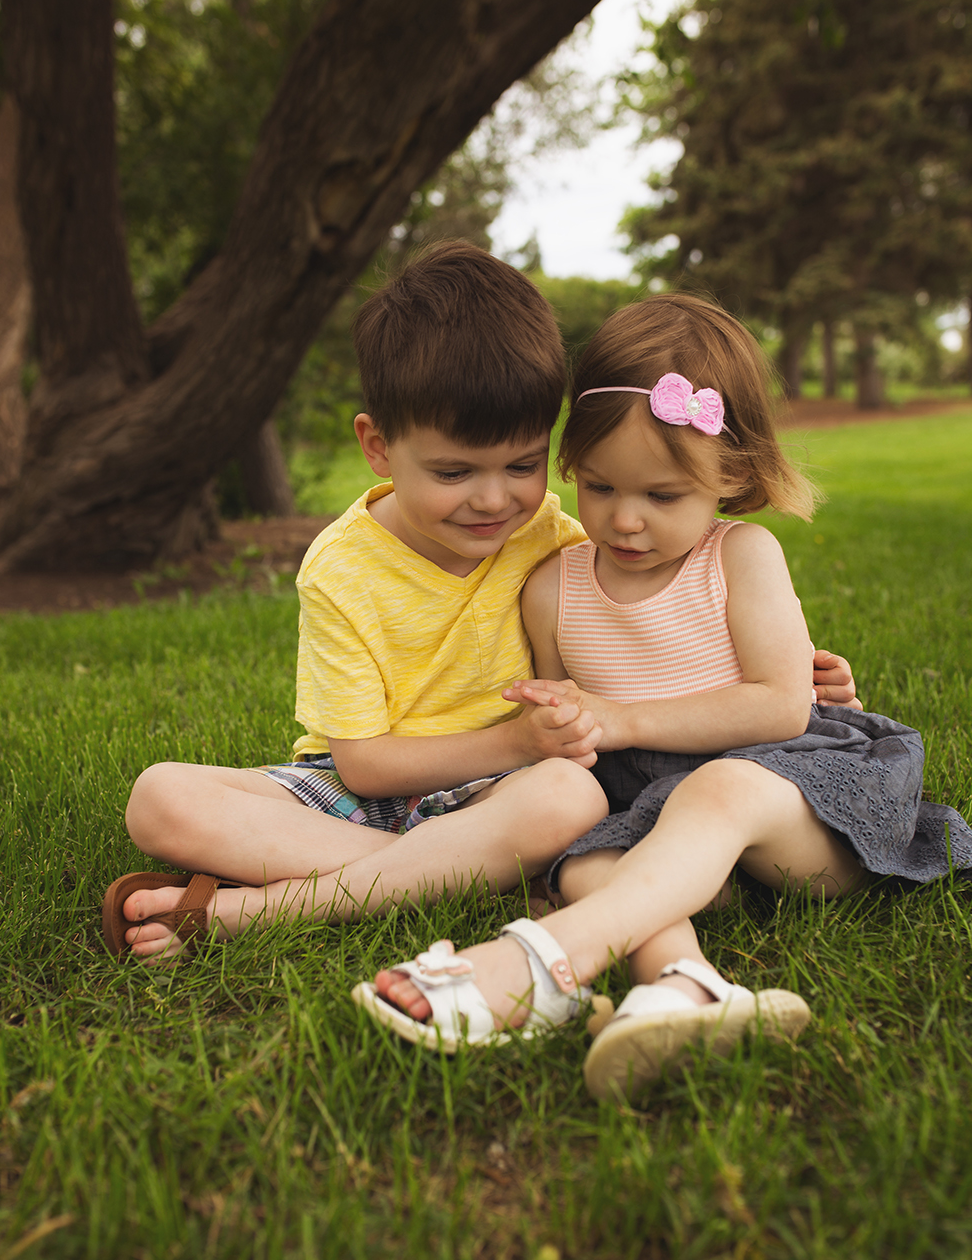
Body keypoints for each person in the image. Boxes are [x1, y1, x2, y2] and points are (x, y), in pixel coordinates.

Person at [105, 248, 855, 964]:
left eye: (523, 465)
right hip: (367, 796)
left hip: (507, 797)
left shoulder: (556, 537)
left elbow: (648, 629)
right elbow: (363, 768)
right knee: (160, 797)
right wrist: (520, 741)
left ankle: (275, 906)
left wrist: (802, 683)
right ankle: (471, 874)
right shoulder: (340, 569)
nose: (494, 500)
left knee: (568, 796)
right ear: (378, 445)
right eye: (454, 470)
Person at [358, 293, 972, 1099]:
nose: (626, 520)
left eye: (664, 496)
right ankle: (686, 987)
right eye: (601, 487)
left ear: (733, 476)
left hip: (797, 804)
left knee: (717, 787)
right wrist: (566, 722)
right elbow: (565, 720)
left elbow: (782, 709)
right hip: (656, 812)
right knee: (587, 863)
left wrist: (627, 717)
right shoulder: (553, 588)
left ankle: (538, 964)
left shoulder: (742, 556)